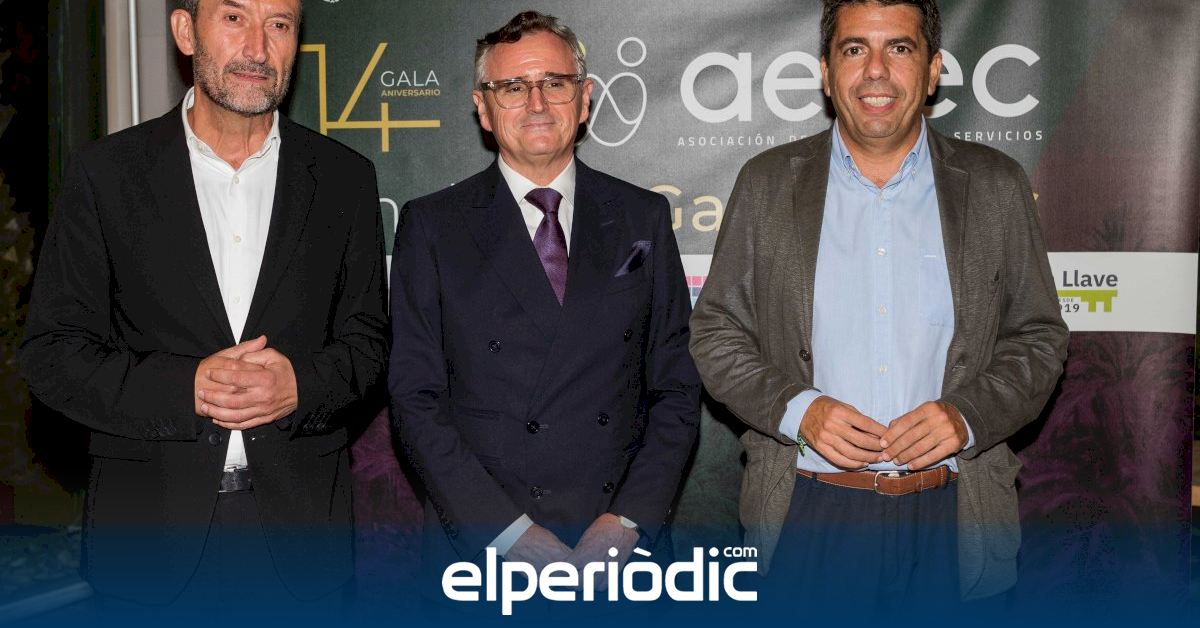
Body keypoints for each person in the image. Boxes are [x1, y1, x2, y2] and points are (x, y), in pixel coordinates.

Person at [689, 0, 1068, 612]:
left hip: (955, 513)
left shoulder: (995, 184)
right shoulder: (767, 183)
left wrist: (967, 416)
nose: (875, 70)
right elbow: (715, 332)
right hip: (805, 513)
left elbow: (1039, 337)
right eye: (854, 49)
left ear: (933, 69)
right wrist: (799, 411)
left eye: (899, 47)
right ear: (825, 71)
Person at [19, 0, 389, 615]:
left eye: (279, 25)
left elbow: (369, 345)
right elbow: (53, 355)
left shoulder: (344, 179)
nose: (258, 48)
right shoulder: (105, 175)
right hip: (146, 538)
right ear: (186, 31)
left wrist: (300, 386)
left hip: (301, 541)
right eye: (234, 18)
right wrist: (184, 388)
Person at [388, 10, 700, 600]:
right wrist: (507, 533)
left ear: (584, 99)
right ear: (483, 108)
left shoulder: (643, 217)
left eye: (554, 83)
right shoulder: (432, 226)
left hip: (619, 552)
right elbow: (415, 398)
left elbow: (677, 387)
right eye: (512, 87)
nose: (536, 103)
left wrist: (627, 521)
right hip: (484, 553)